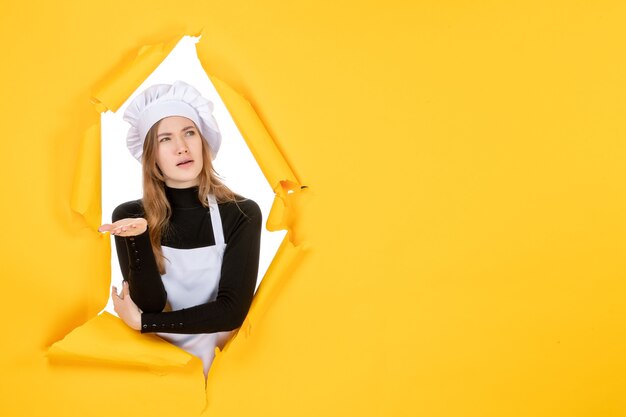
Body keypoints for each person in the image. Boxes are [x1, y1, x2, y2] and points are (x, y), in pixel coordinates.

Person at [98, 81, 262, 377]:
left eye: (189, 133)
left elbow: (231, 311)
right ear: (152, 156)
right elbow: (150, 303)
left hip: (224, 371)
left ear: (203, 142)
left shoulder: (241, 214)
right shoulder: (129, 216)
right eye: (165, 139)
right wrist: (137, 240)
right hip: (158, 371)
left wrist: (145, 323)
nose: (182, 147)